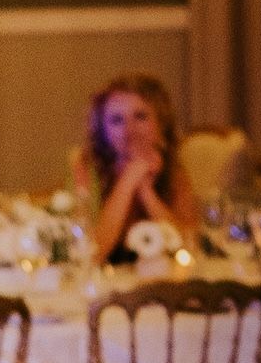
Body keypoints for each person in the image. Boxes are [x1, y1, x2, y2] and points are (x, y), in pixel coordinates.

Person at [82, 72, 198, 262]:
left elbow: (188, 249)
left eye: (141, 116)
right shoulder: (87, 169)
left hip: (159, 283)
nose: (129, 130)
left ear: (161, 125)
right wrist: (129, 179)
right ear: (103, 130)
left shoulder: (174, 171)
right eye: (116, 120)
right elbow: (92, 254)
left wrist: (145, 191)